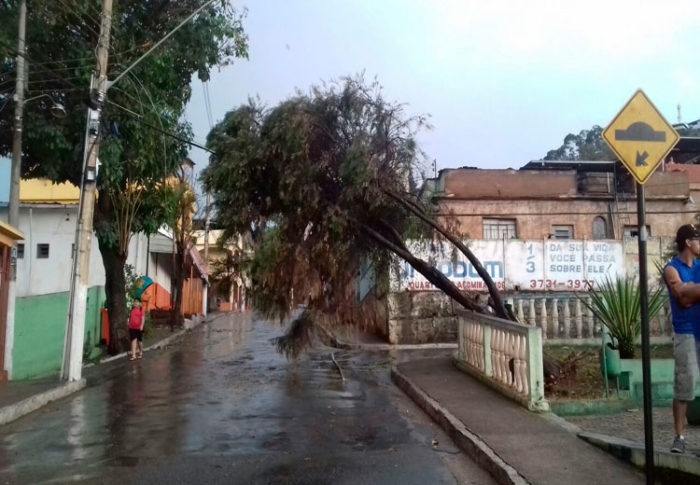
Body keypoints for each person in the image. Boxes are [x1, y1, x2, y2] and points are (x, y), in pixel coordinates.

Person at [663, 224, 700, 453]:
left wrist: (691, 291)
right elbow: (680, 298)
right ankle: (679, 436)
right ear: (688, 242)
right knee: (684, 385)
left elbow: (687, 297)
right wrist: (688, 293)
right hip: (685, 331)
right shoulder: (671, 269)